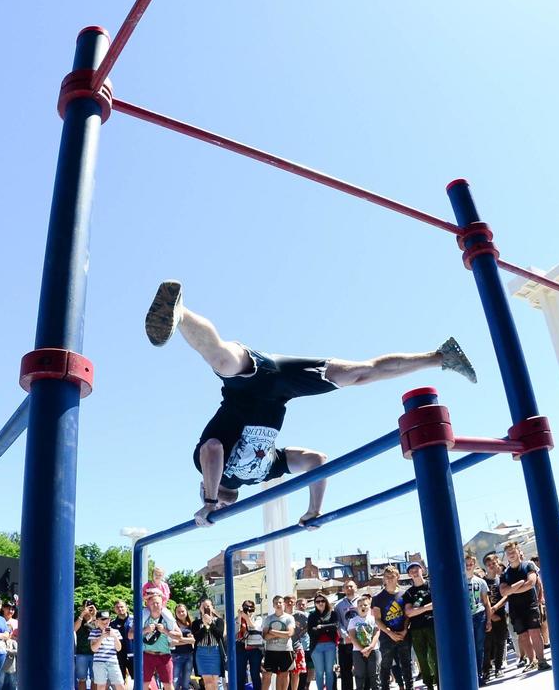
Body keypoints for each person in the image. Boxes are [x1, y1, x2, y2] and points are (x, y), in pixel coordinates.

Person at [143, 281, 476, 527]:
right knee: (360, 373)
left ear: (203, 488)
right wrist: (315, 508)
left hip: (246, 385)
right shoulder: (264, 472)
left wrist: (211, 501)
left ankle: (181, 311)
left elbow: (213, 449)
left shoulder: (208, 473)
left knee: (221, 358)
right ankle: (442, 356)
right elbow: (317, 461)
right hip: (283, 387)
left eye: (205, 494)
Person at [370, 565, 412, 689]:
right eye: (386, 577)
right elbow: (377, 619)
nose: (389, 579)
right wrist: (390, 633)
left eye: (392, 576)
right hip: (386, 636)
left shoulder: (405, 594)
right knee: (386, 665)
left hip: (403, 634)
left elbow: (407, 615)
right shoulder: (377, 598)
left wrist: (405, 629)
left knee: (406, 664)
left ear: (397, 577)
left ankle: (409, 687)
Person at [402, 561, 437, 689]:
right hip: (416, 629)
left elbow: (438, 604)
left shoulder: (432, 586)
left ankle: (439, 682)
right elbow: (409, 612)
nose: (414, 572)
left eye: (416, 569)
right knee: (422, 658)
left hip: (433, 626)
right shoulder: (409, 593)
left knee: (435, 656)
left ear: (422, 570)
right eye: (411, 571)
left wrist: (418, 610)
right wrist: (427, 607)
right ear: (409, 575)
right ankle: (428, 684)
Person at [461, 553, 490, 682]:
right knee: (467, 646)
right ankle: (469, 675)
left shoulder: (481, 581)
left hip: (479, 615)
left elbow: (486, 602)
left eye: (471, 564)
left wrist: (488, 620)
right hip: (465, 617)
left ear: (474, 565)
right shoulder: (459, 581)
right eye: (466, 564)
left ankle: (479, 674)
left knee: (479, 646)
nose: (468, 566)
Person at [482, 553, 508, 682]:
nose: (491, 566)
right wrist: (490, 614)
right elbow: (482, 600)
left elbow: (506, 596)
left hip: (501, 614)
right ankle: (486, 670)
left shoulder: (502, 579)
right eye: (489, 565)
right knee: (487, 644)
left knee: (500, 642)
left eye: (493, 564)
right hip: (487, 616)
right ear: (485, 567)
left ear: (497, 563)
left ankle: (499, 667)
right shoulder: (483, 581)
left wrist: (495, 608)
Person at [261, 594, 296, 690]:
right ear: (273, 605)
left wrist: (272, 631)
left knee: (284, 675)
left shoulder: (289, 618)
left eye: (280, 602)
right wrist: (281, 633)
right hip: (271, 651)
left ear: (284, 604)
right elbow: (265, 636)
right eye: (276, 603)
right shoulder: (268, 618)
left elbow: (289, 633)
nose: (278, 604)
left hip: (285, 650)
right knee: (266, 675)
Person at [347, 594, 381, 689]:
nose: (363, 607)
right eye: (360, 605)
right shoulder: (353, 621)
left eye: (365, 605)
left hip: (373, 650)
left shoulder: (374, 619)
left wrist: (370, 647)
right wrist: (362, 649)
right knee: (360, 675)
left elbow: (376, 633)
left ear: (369, 606)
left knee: (375, 675)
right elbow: (352, 636)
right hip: (358, 651)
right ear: (357, 608)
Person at [191, 599, 227, 690]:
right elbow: (197, 638)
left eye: (208, 606)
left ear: (212, 607)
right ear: (200, 609)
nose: (206, 608)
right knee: (207, 682)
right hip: (201, 653)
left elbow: (219, 635)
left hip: (215, 652)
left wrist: (210, 623)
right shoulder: (196, 623)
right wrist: (205, 625)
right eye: (203, 606)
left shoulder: (219, 621)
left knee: (215, 680)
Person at [306, 593, 338, 690]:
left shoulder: (333, 614)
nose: (320, 603)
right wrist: (327, 628)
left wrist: (321, 627)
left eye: (322, 601)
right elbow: (311, 631)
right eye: (318, 601)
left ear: (326, 602)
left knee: (329, 671)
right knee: (319, 672)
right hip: (316, 647)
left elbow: (335, 626)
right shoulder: (312, 616)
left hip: (330, 646)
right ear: (315, 603)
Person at [332, 578, 360, 690]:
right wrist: (345, 635)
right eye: (346, 587)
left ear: (356, 587)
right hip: (346, 641)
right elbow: (338, 623)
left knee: (361, 670)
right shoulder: (338, 605)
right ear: (343, 589)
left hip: (360, 641)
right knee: (345, 670)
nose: (349, 588)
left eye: (351, 586)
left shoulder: (362, 601)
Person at [90, 610, 127, 690]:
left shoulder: (116, 632)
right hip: (99, 663)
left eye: (107, 619)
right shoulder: (94, 632)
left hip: (113, 662)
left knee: (120, 685)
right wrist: (102, 637)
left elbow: (118, 648)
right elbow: (93, 649)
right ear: (97, 621)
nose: (105, 621)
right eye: (103, 619)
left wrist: (114, 636)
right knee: (101, 686)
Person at [237, 598, 265, 690]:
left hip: (255, 648)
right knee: (240, 673)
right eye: (246, 608)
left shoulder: (258, 618)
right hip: (241, 646)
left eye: (251, 608)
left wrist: (247, 618)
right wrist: (240, 617)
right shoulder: (240, 618)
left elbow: (254, 626)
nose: (248, 610)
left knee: (255, 673)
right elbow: (236, 630)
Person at [170, 601, 197, 690]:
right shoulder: (173, 624)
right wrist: (187, 640)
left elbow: (194, 640)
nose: (181, 613)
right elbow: (173, 642)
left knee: (186, 682)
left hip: (189, 655)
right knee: (175, 681)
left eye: (182, 611)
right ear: (175, 613)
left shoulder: (192, 625)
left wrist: (180, 639)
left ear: (186, 612)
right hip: (176, 656)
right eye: (178, 612)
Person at [110, 600, 135, 689]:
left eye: (122, 607)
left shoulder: (135, 620)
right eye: (117, 607)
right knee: (120, 681)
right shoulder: (112, 624)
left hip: (134, 654)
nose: (120, 609)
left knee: (140, 679)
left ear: (126, 607)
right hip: (119, 655)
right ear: (114, 610)